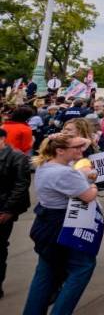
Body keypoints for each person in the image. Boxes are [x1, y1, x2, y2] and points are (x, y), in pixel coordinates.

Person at [23, 133, 98, 315]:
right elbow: (88, 196)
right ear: (60, 151)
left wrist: (66, 138)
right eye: (76, 148)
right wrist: (94, 186)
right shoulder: (64, 172)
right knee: (82, 267)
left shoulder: (46, 165)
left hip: (46, 224)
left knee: (46, 272)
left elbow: (81, 149)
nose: (81, 149)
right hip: (62, 226)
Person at [0, 128, 31, 299]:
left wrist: (8, 210)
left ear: (3, 139)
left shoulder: (16, 157)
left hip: (3, 209)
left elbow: (21, 185)